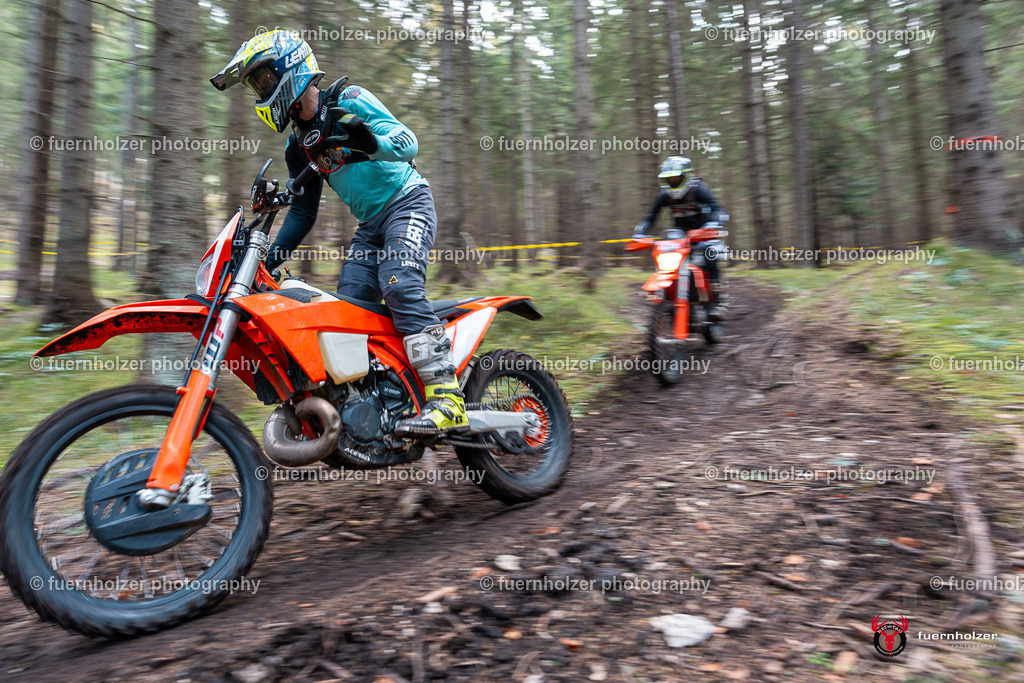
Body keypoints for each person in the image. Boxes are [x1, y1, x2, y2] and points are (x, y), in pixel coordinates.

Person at [211, 30, 466, 435]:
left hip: (408, 202)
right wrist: (266, 262)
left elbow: (408, 143)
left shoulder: (347, 102)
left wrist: (369, 143)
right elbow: (302, 213)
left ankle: (448, 397)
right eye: (255, 85)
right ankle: (381, 407)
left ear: (290, 69)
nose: (260, 91)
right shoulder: (298, 145)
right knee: (347, 313)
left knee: (398, 283)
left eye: (263, 79)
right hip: (369, 228)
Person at [633, 156, 727, 319]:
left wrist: (713, 225)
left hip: (704, 232)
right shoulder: (664, 195)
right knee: (665, 258)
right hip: (680, 234)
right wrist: (640, 233)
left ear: (686, 176)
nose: (673, 181)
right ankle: (669, 297)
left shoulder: (698, 189)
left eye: (676, 178)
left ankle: (717, 303)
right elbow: (651, 216)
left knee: (710, 255)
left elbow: (719, 210)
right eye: (669, 179)